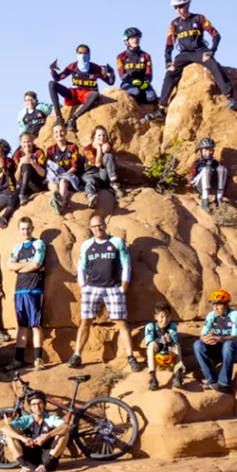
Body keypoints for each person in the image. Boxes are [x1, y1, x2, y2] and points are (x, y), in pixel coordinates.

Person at [145, 0, 237, 121]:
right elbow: (169, 44)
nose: (178, 10)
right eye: (175, 7)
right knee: (170, 74)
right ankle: (161, 109)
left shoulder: (199, 18)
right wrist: (168, 62)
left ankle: (229, 97)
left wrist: (211, 51)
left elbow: (216, 35)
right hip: (184, 54)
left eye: (181, 6)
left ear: (188, 5)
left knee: (214, 65)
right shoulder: (175, 23)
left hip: (200, 50)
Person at [69, 215, 142, 372]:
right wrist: (83, 286)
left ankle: (131, 356)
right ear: (90, 228)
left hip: (113, 288)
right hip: (92, 287)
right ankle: (77, 354)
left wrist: (124, 285)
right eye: (94, 226)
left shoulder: (116, 242)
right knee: (85, 321)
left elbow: (126, 264)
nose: (98, 228)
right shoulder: (87, 245)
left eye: (100, 225)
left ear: (104, 224)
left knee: (121, 322)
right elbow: (81, 267)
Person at [0, 388, 70, 472]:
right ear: (30, 406)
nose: (37, 407)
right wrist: (22, 438)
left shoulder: (51, 419)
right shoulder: (26, 419)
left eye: (40, 403)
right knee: (9, 435)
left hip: (48, 459)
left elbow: (66, 427)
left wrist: (46, 436)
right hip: (30, 459)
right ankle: (26, 468)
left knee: (64, 433)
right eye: (33, 404)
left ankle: (42, 469)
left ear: (44, 404)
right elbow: (5, 428)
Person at [5, 217, 47, 372]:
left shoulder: (39, 244)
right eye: (22, 228)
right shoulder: (17, 247)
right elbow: (9, 266)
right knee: (22, 326)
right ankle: (18, 359)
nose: (26, 231)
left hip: (34, 289)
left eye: (28, 228)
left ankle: (38, 358)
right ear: (19, 230)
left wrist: (19, 268)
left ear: (32, 228)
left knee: (36, 325)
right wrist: (27, 266)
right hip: (20, 290)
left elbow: (37, 263)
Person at [48, 44, 115, 131]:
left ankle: (73, 118)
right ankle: (59, 117)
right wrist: (52, 70)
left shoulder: (96, 68)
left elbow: (110, 82)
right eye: (80, 53)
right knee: (51, 84)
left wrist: (111, 72)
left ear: (89, 55)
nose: (83, 56)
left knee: (95, 94)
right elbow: (57, 78)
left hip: (87, 94)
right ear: (76, 54)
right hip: (73, 94)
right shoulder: (72, 66)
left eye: (85, 53)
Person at [194, 290, 237, 394]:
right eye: (213, 305)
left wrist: (219, 338)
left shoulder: (235, 315)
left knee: (228, 344)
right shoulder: (212, 315)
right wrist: (206, 339)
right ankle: (210, 379)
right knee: (197, 344)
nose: (215, 308)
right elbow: (203, 334)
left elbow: (235, 338)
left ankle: (223, 384)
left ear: (226, 304)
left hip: (234, 350)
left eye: (219, 305)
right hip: (218, 350)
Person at [44, 121, 87, 215]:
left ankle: (61, 201)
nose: (59, 134)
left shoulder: (72, 147)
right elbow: (49, 167)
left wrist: (63, 176)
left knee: (63, 181)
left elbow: (74, 167)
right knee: (52, 184)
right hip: (55, 176)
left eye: (61, 131)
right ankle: (57, 200)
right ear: (53, 135)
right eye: (56, 132)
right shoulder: (50, 150)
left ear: (66, 132)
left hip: (69, 176)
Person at [143, 302, 186, 391]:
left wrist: (170, 340)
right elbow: (148, 341)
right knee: (151, 345)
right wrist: (161, 340)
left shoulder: (172, 326)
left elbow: (174, 339)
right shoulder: (150, 326)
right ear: (156, 317)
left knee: (176, 345)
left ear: (170, 317)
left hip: (169, 357)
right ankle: (153, 378)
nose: (164, 319)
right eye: (161, 317)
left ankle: (178, 376)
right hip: (157, 357)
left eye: (167, 316)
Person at [82, 125, 124, 207]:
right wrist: (99, 149)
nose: (102, 138)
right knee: (90, 181)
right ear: (94, 136)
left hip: (102, 174)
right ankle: (91, 197)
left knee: (108, 156)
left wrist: (107, 147)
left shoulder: (107, 146)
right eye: (99, 135)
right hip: (90, 173)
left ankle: (114, 182)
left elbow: (108, 160)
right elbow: (97, 164)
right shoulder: (87, 149)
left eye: (104, 135)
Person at [116, 28, 158, 105]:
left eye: (137, 37)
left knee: (152, 97)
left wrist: (146, 82)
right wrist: (132, 81)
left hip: (143, 83)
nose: (135, 40)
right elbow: (122, 73)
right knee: (136, 92)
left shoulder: (146, 56)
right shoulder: (121, 56)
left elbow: (149, 72)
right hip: (128, 83)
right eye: (132, 38)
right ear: (126, 41)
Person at [190, 138, 229, 212]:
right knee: (206, 169)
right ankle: (205, 199)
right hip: (199, 186)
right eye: (206, 150)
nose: (208, 152)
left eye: (210, 150)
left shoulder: (215, 163)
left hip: (211, 186)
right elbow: (192, 179)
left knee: (222, 169)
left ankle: (219, 197)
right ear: (201, 151)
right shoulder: (197, 163)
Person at [13, 131, 47, 206]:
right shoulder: (17, 155)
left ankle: (22, 194)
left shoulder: (38, 152)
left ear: (32, 142)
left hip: (37, 183)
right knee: (13, 196)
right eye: (24, 142)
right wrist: (20, 164)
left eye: (28, 142)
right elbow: (16, 179)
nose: (26, 144)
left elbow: (43, 174)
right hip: (25, 185)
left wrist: (32, 163)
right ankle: (6, 216)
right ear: (21, 144)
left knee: (27, 165)